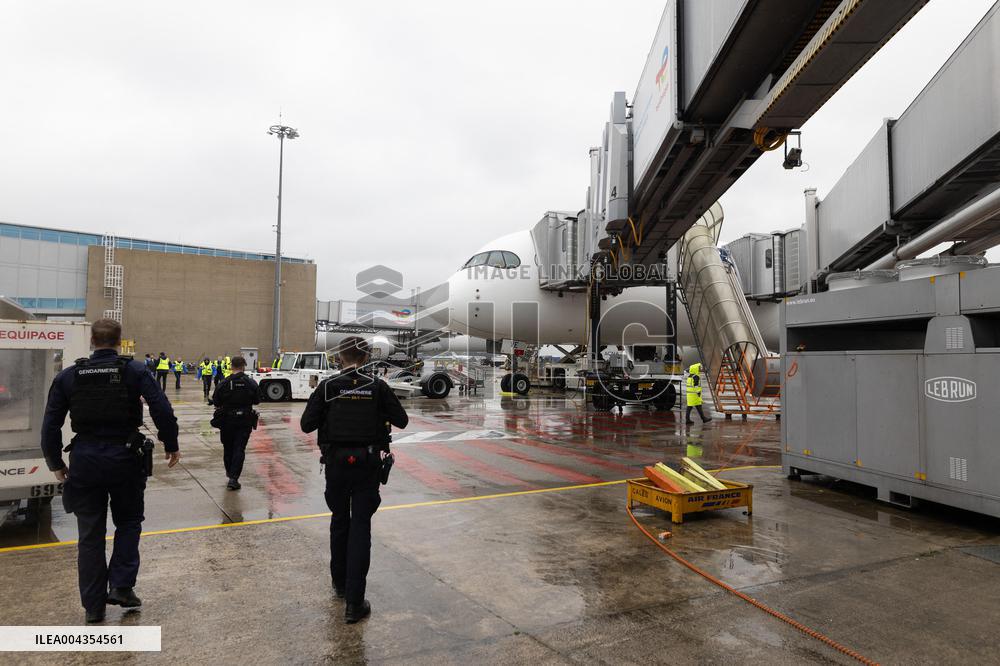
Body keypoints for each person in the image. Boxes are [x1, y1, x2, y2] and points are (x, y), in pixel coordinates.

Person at [40, 318, 181, 624]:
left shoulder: (69, 376)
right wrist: (171, 443)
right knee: (128, 522)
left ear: (92, 342)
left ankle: (93, 607)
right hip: (124, 458)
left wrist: (55, 463)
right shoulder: (134, 371)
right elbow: (162, 408)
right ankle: (121, 585)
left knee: (89, 534)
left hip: (86, 460)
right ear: (119, 342)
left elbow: (50, 423)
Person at [300, 337, 408, 624]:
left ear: (340, 357)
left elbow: (306, 424)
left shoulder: (328, 387)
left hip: (336, 464)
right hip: (366, 465)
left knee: (339, 520)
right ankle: (354, 603)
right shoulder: (377, 387)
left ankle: (339, 585)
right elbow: (402, 420)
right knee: (361, 527)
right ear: (365, 358)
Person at [210, 356, 260, 490]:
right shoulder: (251, 383)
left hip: (227, 420)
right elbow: (256, 400)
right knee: (239, 448)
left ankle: (230, 473)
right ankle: (234, 478)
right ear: (244, 366)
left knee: (228, 447)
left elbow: (216, 401)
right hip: (244, 421)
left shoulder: (224, 383)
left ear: (231, 366)